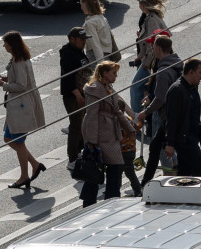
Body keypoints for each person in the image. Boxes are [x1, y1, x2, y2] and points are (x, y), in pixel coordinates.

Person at [79, 61, 140, 205]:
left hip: (109, 134)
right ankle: (107, 200)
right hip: (100, 134)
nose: (116, 76)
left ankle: (102, 200)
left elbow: (117, 111)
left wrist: (130, 128)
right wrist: (91, 142)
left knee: (106, 167)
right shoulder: (95, 89)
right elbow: (91, 116)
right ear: (105, 74)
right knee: (105, 167)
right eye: (114, 73)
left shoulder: (108, 87)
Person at [0, 31, 46, 187]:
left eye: (5, 43)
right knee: (9, 139)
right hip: (19, 105)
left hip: (22, 105)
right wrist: (8, 79)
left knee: (17, 141)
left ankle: (24, 176)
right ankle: (35, 165)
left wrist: (4, 85)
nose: (3, 45)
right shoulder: (20, 59)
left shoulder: (18, 61)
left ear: (11, 44)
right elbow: (20, 79)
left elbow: (22, 85)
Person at [137, 34, 182, 182]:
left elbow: (161, 98)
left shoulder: (163, 70)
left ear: (158, 48)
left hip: (165, 115)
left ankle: (168, 179)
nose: (152, 48)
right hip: (177, 113)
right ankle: (170, 173)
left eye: (153, 46)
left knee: (159, 148)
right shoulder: (176, 63)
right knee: (161, 147)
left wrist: (146, 111)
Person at [163, 57, 201, 176]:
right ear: (191, 72)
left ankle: (181, 193)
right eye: (200, 72)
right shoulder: (177, 90)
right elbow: (172, 119)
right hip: (185, 140)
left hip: (192, 137)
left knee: (185, 172)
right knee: (200, 169)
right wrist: (170, 144)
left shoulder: (192, 87)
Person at [129, 0, 167, 114]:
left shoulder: (151, 19)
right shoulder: (150, 17)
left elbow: (153, 44)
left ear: (143, 5)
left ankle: (136, 117)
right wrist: (139, 57)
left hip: (151, 61)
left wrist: (145, 63)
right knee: (147, 89)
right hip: (149, 60)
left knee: (135, 87)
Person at [59, 27, 91, 165]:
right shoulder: (68, 54)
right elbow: (69, 79)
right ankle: (72, 157)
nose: (84, 42)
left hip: (82, 93)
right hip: (73, 96)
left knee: (82, 124)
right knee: (76, 126)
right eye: (81, 39)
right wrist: (78, 96)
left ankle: (80, 151)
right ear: (72, 39)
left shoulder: (78, 51)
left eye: (85, 40)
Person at [79, 0, 115, 64]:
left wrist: (101, 64)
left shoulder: (90, 23)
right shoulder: (102, 18)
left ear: (86, 4)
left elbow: (95, 44)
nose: (81, 7)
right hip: (107, 54)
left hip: (96, 56)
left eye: (81, 4)